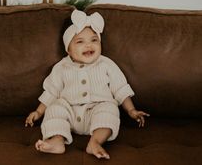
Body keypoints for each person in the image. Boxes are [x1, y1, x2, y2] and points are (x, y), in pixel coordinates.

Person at [25, 10, 150, 160]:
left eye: (94, 40)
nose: (88, 45)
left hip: (97, 110)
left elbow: (120, 88)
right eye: (80, 41)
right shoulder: (61, 67)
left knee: (110, 109)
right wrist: (38, 112)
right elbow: (51, 92)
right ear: (69, 50)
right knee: (55, 108)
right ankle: (57, 141)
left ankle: (95, 142)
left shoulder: (106, 64)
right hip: (69, 112)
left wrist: (131, 110)